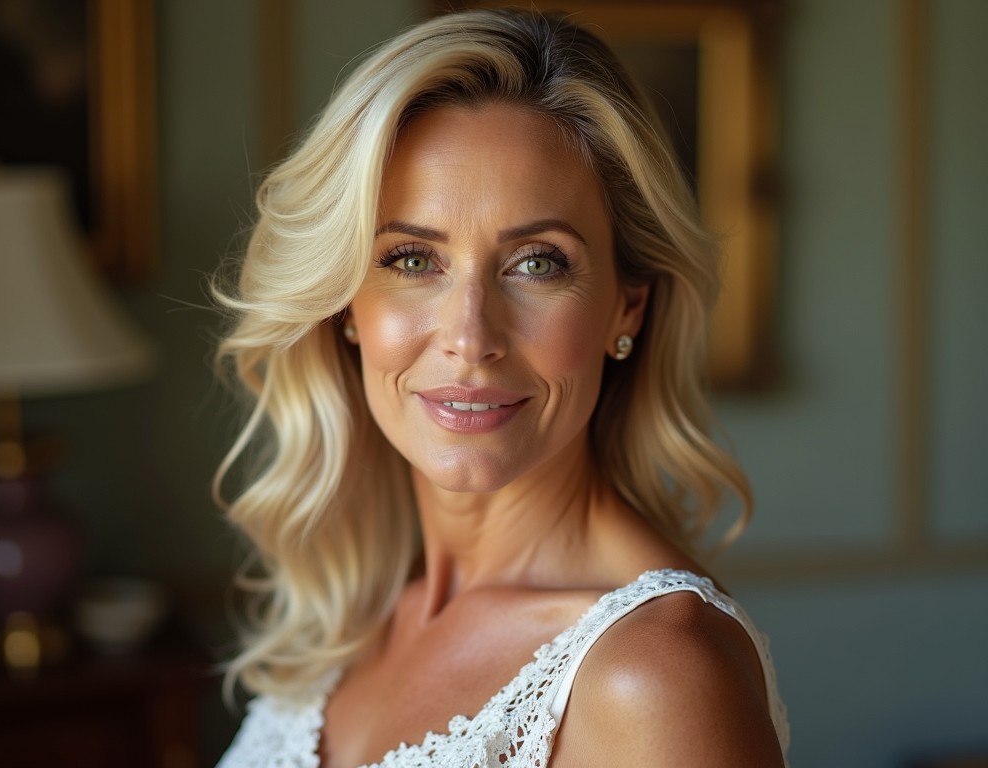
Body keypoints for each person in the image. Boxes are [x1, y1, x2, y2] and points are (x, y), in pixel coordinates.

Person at [213, 8, 789, 767]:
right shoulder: (354, 618)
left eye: (538, 262)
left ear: (627, 305)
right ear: (345, 305)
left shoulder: (653, 675)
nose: (470, 336)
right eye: (413, 258)